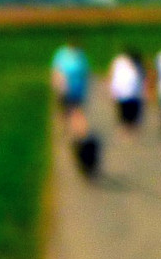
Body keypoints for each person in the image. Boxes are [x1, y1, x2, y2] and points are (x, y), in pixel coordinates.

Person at [52, 38, 98, 176]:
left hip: (78, 91)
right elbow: (56, 72)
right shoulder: (61, 55)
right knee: (70, 114)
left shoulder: (81, 57)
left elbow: (87, 73)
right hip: (66, 90)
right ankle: (73, 134)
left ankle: (77, 136)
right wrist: (58, 86)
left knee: (75, 113)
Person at [109, 47, 146, 133]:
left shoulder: (137, 64)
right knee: (123, 110)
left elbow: (142, 77)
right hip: (122, 91)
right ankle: (125, 128)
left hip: (133, 92)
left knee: (133, 111)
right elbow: (112, 73)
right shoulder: (119, 62)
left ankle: (131, 128)